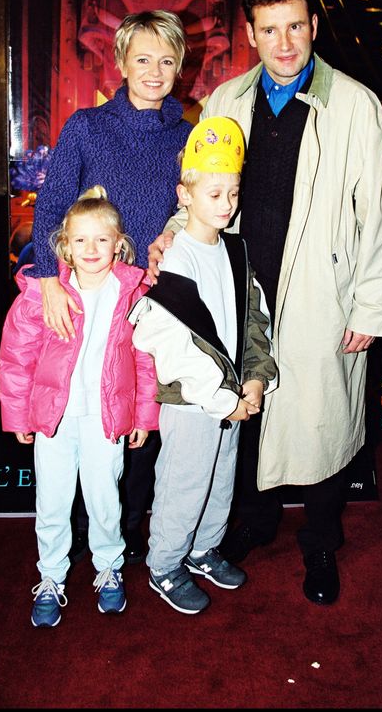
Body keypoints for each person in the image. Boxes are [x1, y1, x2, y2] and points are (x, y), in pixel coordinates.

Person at [149, 0, 382, 605]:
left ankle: (320, 544)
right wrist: (171, 237)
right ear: (250, 34)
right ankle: (255, 525)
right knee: (248, 417)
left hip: (324, 291)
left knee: (321, 421)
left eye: (295, 26)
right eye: (269, 29)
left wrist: (371, 306)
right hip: (239, 288)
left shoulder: (356, 105)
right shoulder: (226, 101)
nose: (284, 42)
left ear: (313, 27)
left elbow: (379, 215)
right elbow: (201, 191)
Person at [26, 10, 191, 566]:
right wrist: (49, 280)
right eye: (142, 58)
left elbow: (193, 218)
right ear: (120, 63)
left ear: (180, 68)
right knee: (82, 415)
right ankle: (69, 543)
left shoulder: (188, 138)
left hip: (154, 305)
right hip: (88, 302)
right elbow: (51, 206)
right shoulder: (86, 127)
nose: (154, 70)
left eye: (167, 60)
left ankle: (125, 537)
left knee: (142, 419)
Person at [128, 117, 278, 614]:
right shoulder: (175, 259)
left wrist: (255, 378)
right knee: (185, 480)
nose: (227, 205)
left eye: (233, 193)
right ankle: (165, 564)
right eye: (214, 194)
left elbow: (254, 316)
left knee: (221, 478)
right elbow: (169, 342)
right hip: (194, 399)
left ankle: (202, 549)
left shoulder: (235, 251)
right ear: (185, 195)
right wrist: (221, 399)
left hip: (232, 396)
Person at [0, 187, 160, 627]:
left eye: (101, 240)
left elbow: (145, 358)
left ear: (119, 244)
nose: (91, 249)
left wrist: (144, 415)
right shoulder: (39, 295)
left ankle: (109, 569)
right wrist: (18, 416)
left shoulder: (131, 294)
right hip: (54, 419)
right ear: (64, 246)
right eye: (81, 240)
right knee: (52, 500)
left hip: (105, 419)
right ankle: (51, 575)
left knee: (105, 500)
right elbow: (16, 358)